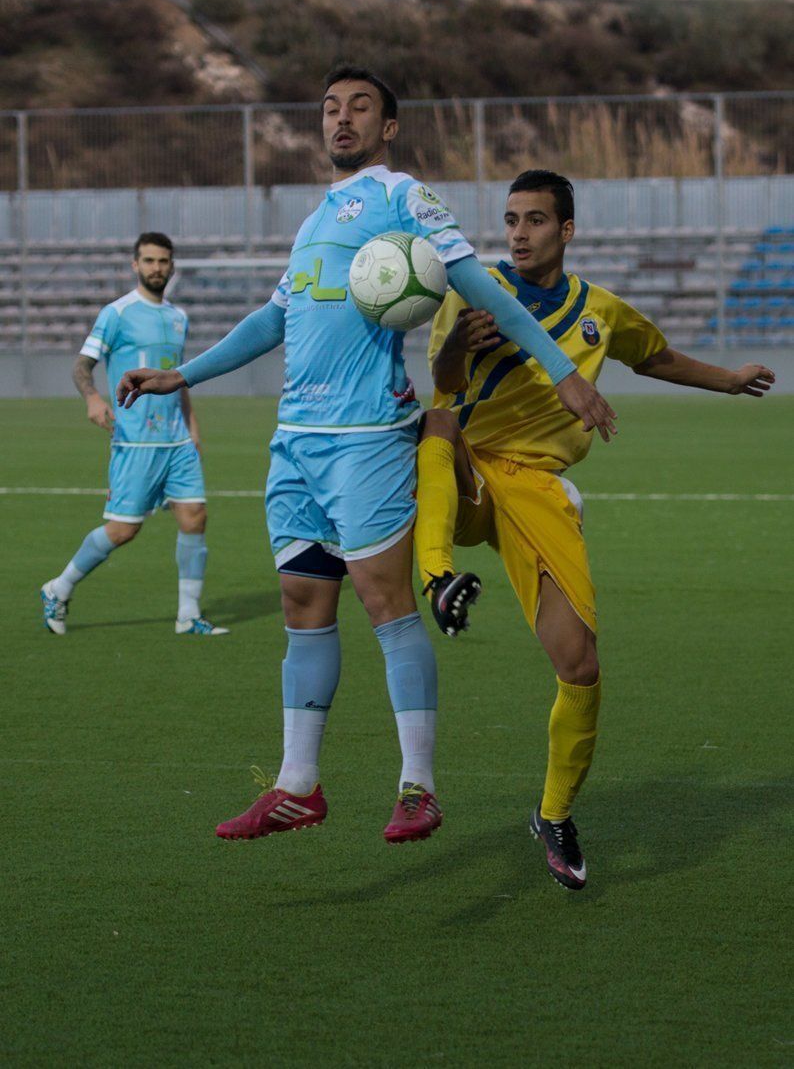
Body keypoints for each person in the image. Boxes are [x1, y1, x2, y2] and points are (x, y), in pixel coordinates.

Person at [116, 70, 616, 846]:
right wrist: (183, 373)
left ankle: (418, 786)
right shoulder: (317, 218)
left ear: (389, 127)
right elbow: (272, 319)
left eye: (359, 108)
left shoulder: (403, 198)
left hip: (367, 439)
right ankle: (296, 786)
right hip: (297, 442)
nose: (340, 119)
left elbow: (482, 283)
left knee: (386, 606)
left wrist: (559, 367)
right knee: (302, 608)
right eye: (329, 107)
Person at [414, 168, 775, 888]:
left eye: (535, 220)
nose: (518, 233)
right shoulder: (474, 289)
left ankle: (552, 812)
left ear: (566, 230)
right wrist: (460, 345)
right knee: (435, 422)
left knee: (579, 665)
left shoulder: (598, 312)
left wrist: (728, 381)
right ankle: (436, 574)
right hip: (467, 468)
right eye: (511, 219)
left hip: (538, 492)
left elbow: (658, 356)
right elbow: (444, 379)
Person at [40, 233, 228, 638]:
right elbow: (81, 366)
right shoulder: (117, 313)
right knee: (124, 530)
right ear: (135, 264)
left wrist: (192, 428)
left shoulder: (179, 317)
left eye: (163, 261)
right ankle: (59, 587)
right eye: (148, 260)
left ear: (172, 265)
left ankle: (188, 615)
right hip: (135, 440)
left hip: (177, 441)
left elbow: (177, 380)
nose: (156, 268)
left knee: (195, 516)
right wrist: (92, 398)